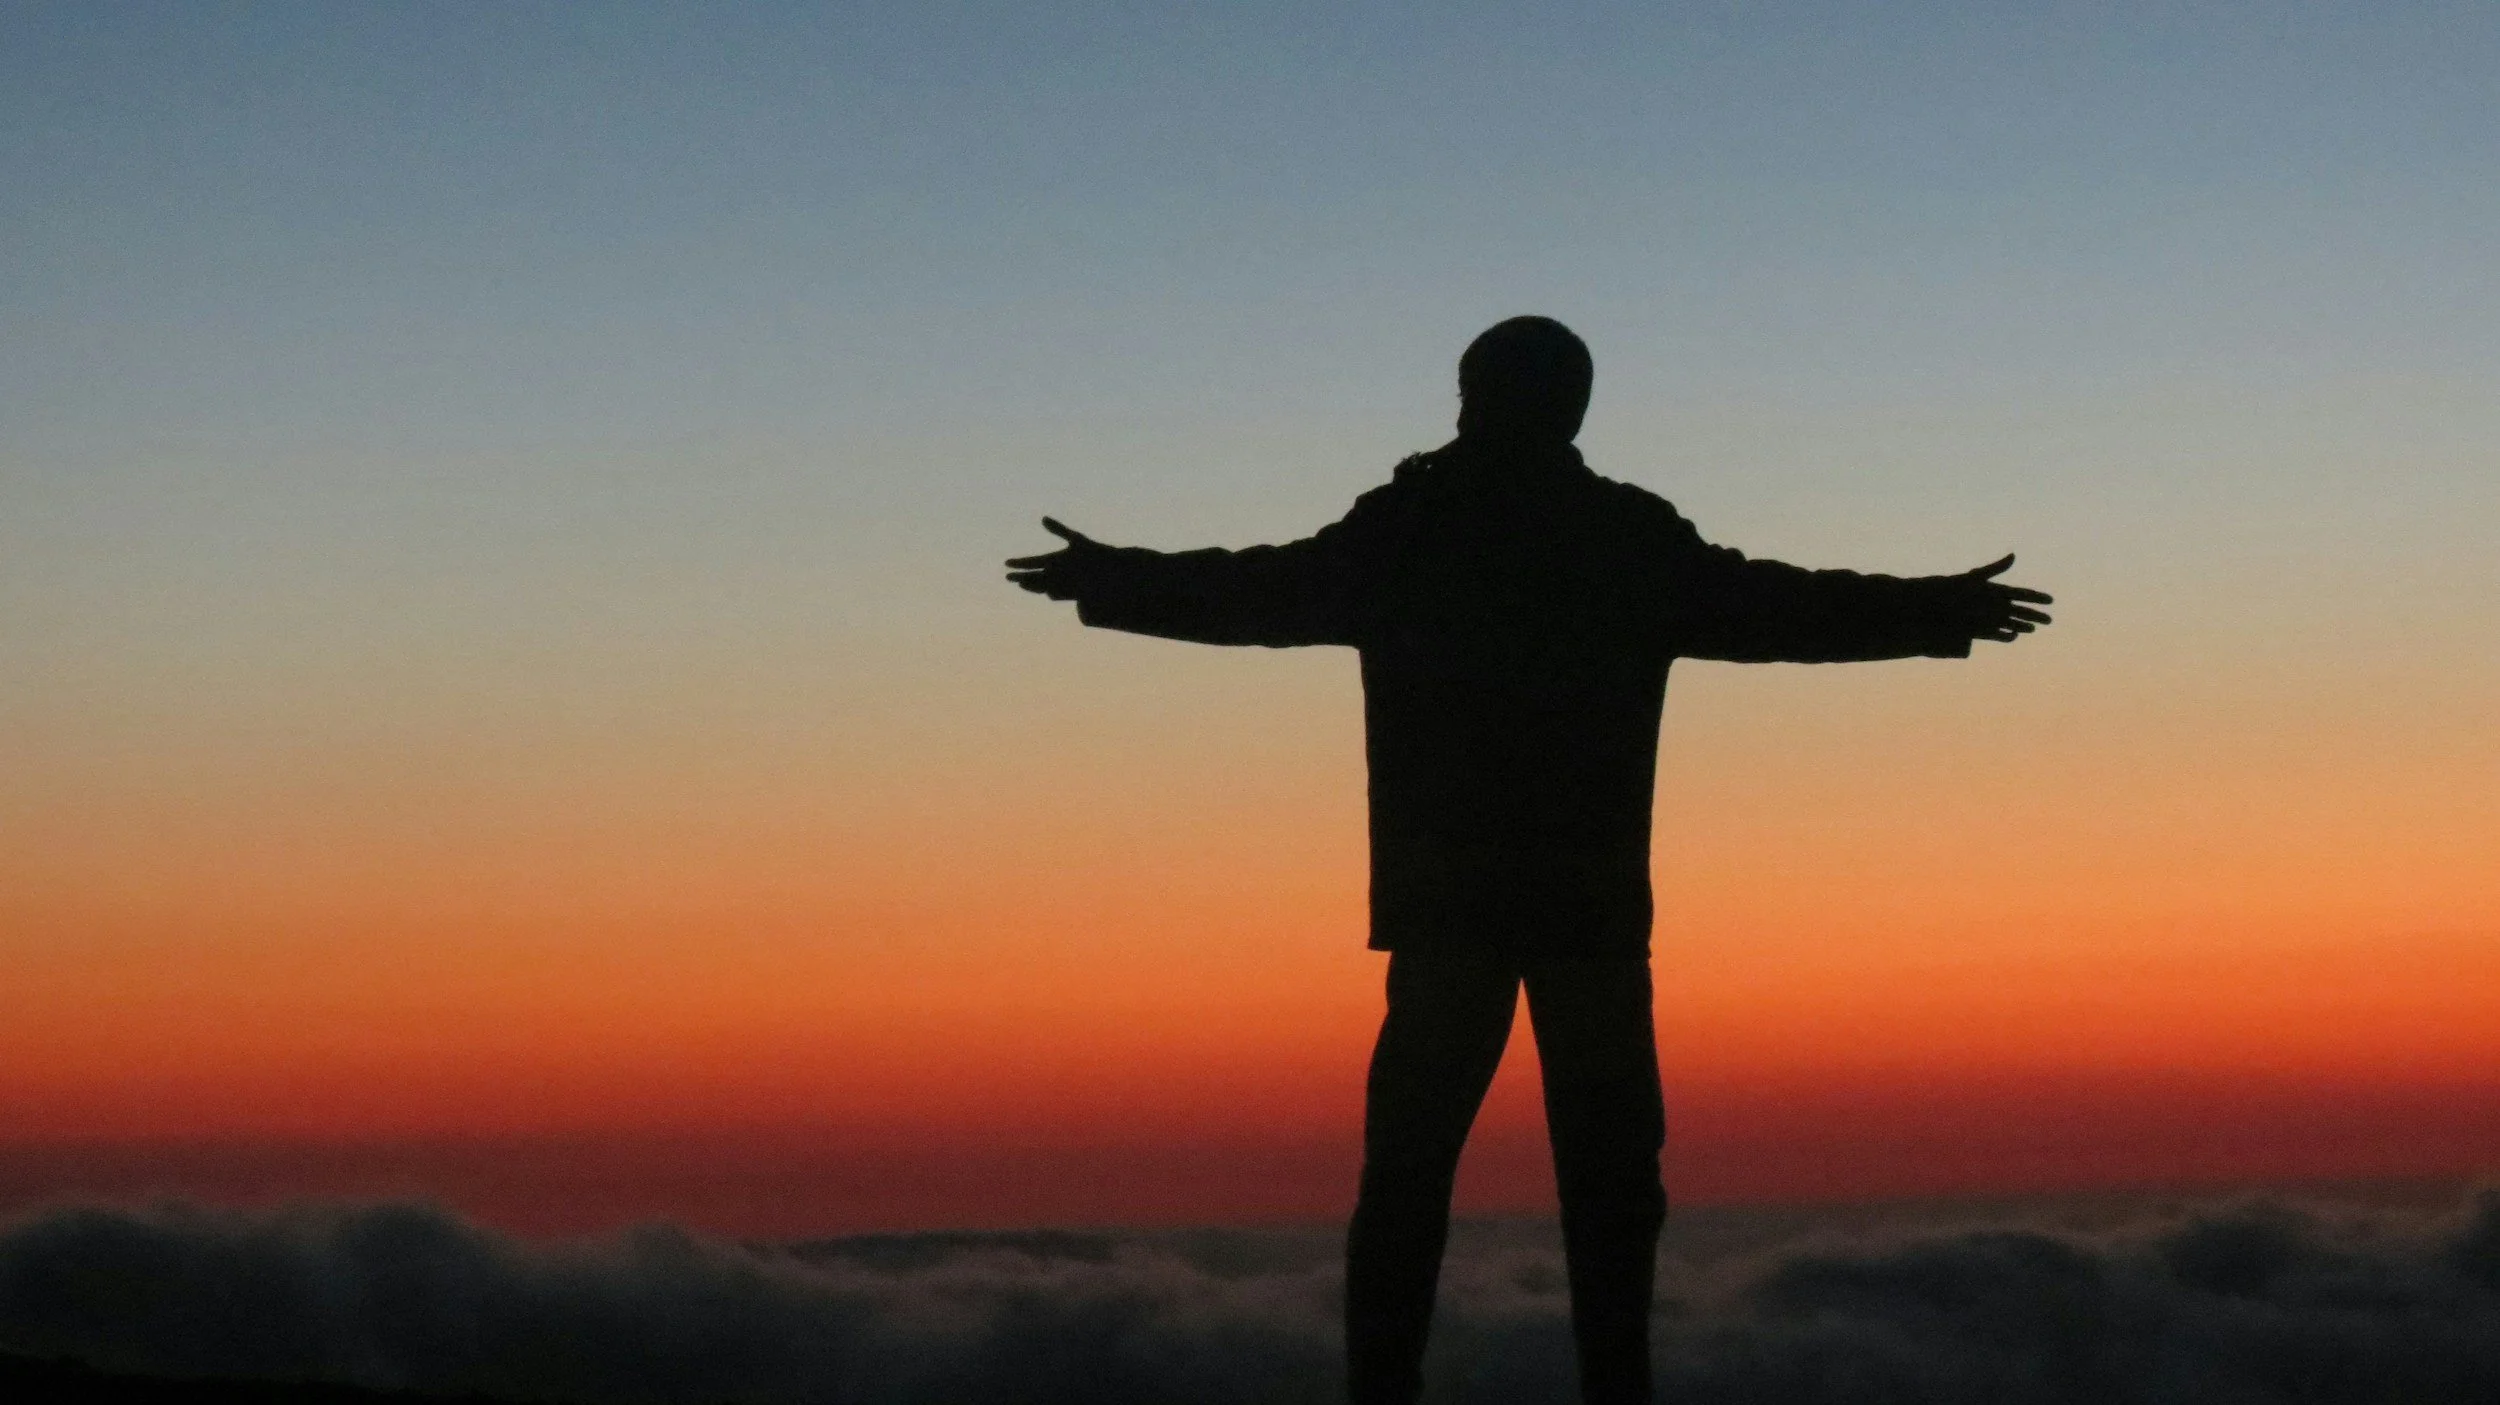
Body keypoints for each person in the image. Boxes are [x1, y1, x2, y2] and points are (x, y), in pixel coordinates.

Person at [1004, 317, 2052, 1405]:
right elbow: (1779, 605)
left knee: (1426, 1176)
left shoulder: (1423, 529)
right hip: (1577, 908)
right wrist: (1935, 607)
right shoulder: (1602, 535)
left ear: (1475, 395)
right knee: (1596, 1181)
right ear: (1570, 407)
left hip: (1461, 907)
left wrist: (1115, 580)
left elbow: (1259, 591)